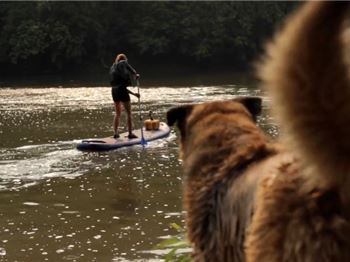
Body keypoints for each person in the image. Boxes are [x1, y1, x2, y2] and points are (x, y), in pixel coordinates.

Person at [110, 53, 140, 139]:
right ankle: (130, 134)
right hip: (121, 91)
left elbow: (120, 87)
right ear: (124, 59)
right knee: (129, 113)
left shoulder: (113, 67)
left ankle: (115, 133)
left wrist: (134, 94)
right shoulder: (124, 63)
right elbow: (133, 72)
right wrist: (135, 75)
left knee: (117, 113)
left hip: (114, 91)